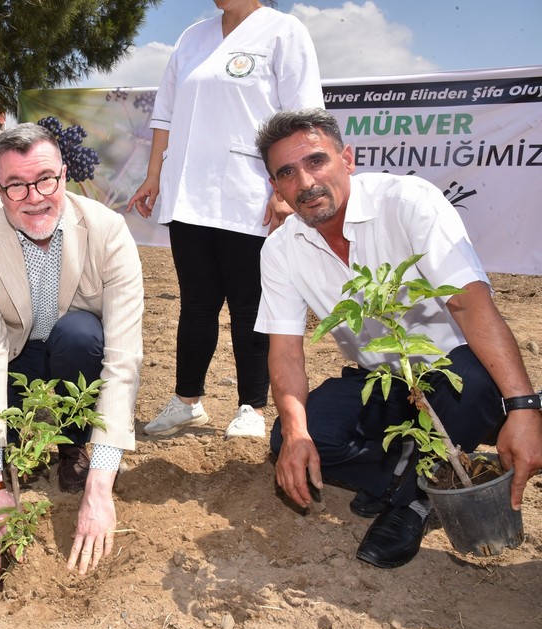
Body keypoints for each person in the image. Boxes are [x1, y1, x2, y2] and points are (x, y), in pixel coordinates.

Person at [253, 107, 542, 568]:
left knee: (473, 376)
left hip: (455, 383)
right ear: (276, 186)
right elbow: (286, 351)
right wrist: (296, 432)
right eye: (286, 173)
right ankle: (414, 475)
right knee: (298, 437)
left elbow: (470, 304)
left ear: (347, 158)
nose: (304, 182)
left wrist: (525, 409)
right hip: (385, 383)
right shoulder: (281, 248)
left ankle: (413, 504)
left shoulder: (408, 202)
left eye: (316, 161)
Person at [0, 123, 144, 577]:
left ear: (63, 175)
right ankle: (24, 443)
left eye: (44, 179)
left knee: (80, 334)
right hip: (17, 357)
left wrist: (102, 485)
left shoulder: (108, 231)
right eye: (15, 186)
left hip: (77, 355)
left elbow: (122, 359)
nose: (33, 196)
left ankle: (77, 446)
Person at [127, 0, 322, 440]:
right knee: (196, 302)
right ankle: (186, 401)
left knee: (249, 305)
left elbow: (303, 120)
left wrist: (283, 188)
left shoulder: (283, 33)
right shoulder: (192, 37)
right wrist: (154, 176)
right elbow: (165, 116)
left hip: (249, 192)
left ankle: (251, 407)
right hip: (189, 191)